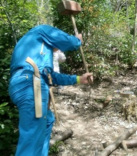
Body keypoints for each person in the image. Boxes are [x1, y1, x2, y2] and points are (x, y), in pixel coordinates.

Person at [9, 25, 93, 156]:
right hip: (31, 82)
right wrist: (78, 40)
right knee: (31, 138)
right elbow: (68, 41)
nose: (57, 49)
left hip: (22, 84)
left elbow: (52, 77)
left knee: (48, 120)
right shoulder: (41, 30)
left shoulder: (34, 49)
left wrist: (79, 79)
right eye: (57, 46)